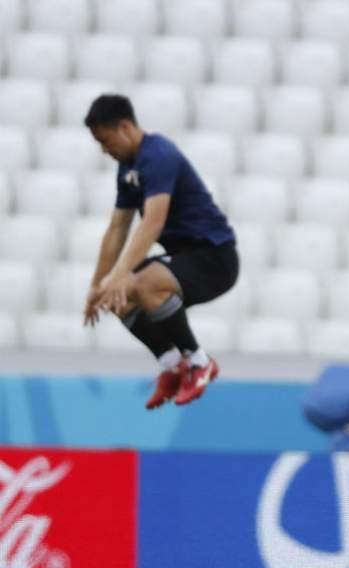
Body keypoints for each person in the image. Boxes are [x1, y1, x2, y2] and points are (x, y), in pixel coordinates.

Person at [81, 94, 237, 409]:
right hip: (182, 258)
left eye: (105, 140)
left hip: (214, 257)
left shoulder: (158, 156)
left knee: (137, 283)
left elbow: (153, 222)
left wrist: (122, 274)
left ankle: (199, 361)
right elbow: (117, 228)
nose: (104, 150)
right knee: (116, 296)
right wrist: (98, 284)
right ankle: (171, 365)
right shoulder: (128, 166)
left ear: (124, 127)